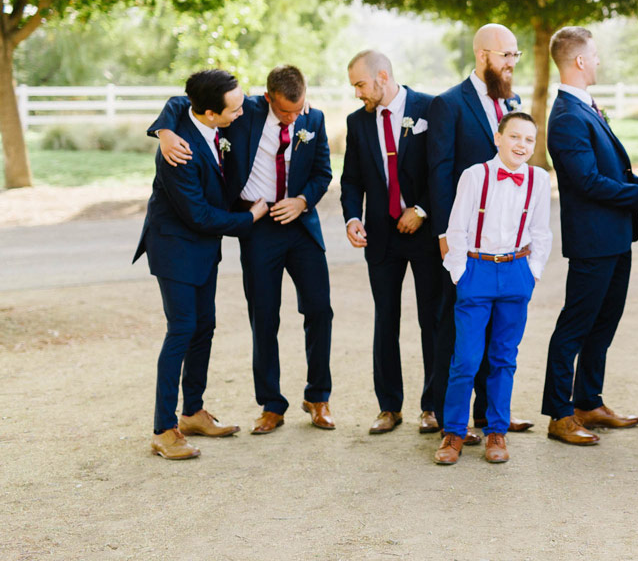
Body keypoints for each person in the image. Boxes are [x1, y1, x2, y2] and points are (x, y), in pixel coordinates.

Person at [150, 65, 335, 436]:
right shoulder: (241, 111)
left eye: (298, 110)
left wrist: (302, 200)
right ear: (268, 99)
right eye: (285, 112)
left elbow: (323, 172)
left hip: (300, 226)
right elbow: (182, 101)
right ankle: (271, 404)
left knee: (320, 310)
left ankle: (318, 397)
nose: (293, 117)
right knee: (264, 316)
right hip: (257, 225)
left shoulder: (313, 117)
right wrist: (164, 131)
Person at [542, 26, 638, 445]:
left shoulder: (586, 108)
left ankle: (588, 402)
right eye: (593, 55)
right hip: (593, 242)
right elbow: (587, 182)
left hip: (615, 237)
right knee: (575, 326)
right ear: (579, 61)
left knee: (603, 324)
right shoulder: (565, 116)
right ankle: (560, 414)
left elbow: (613, 171)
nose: (598, 60)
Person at [134, 69, 267, 460]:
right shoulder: (179, 153)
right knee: (182, 329)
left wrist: (162, 127)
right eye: (235, 109)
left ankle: (192, 412)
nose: (242, 112)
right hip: (175, 248)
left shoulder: (189, 114)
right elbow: (200, 217)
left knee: (204, 326)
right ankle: (163, 429)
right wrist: (252, 217)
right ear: (210, 113)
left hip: (203, 251)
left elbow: (177, 102)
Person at [426, 23, 533, 439]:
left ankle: (492, 415)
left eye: (515, 55)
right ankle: (448, 418)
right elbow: (439, 175)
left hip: (506, 244)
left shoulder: (515, 102)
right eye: (506, 55)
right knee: (456, 331)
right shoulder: (448, 104)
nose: (511, 63)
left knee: (499, 332)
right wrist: (444, 236)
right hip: (464, 241)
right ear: (483, 54)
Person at [434, 112, 552, 465]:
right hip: (477, 270)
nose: (521, 145)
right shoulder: (475, 176)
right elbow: (455, 228)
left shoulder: (538, 179)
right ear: (498, 138)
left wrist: (532, 273)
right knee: (466, 359)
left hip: (516, 270)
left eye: (529, 140)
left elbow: (541, 231)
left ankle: (496, 431)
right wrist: (460, 272)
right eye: (514, 137)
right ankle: (454, 432)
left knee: (504, 357)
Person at [340, 50, 441, 435]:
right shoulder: (357, 122)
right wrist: (353, 217)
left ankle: (432, 406)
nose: (357, 94)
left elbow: (442, 170)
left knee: (432, 320)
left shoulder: (431, 108)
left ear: (382, 76)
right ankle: (389, 407)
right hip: (381, 238)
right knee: (386, 320)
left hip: (425, 233)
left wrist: (422, 209)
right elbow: (351, 179)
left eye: (360, 85)